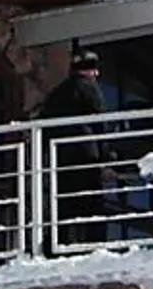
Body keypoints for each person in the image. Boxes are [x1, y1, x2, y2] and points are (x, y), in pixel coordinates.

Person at [35, 49, 110, 245]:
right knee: (92, 203)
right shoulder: (89, 89)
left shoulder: (56, 94)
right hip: (85, 156)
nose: (97, 74)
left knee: (63, 203)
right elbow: (100, 122)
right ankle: (95, 245)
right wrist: (107, 157)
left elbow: (44, 126)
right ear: (90, 71)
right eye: (94, 70)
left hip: (60, 157)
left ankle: (58, 245)